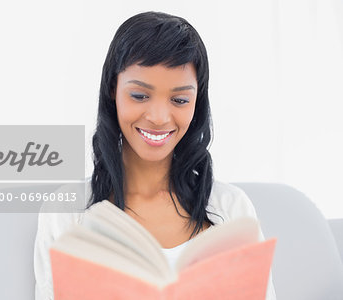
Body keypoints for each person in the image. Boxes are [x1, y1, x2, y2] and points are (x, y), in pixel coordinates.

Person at [34, 11, 276, 299]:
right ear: (113, 89)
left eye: (179, 100)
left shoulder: (232, 208)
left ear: (197, 102)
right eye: (140, 95)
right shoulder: (65, 214)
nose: (160, 117)